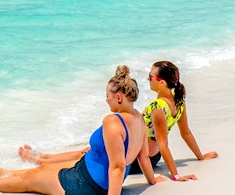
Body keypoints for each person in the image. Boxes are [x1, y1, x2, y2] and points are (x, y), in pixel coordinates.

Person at [0, 65, 165, 195]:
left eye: (107, 96)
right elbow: (143, 156)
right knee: (41, 169)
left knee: (30, 179)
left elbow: (118, 166)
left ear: (119, 97)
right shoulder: (138, 117)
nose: (106, 100)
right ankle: (1, 172)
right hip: (89, 174)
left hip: (84, 184)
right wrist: (152, 181)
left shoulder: (113, 122)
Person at [19, 61, 218, 183]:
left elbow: (163, 143)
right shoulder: (179, 102)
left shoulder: (159, 108)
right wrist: (200, 157)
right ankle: (43, 157)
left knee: (87, 156)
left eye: (151, 77)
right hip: (149, 157)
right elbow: (186, 133)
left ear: (161, 82)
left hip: (141, 160)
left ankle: (40, 160)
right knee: (87, 152)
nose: (148, 79)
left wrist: (175, 176)